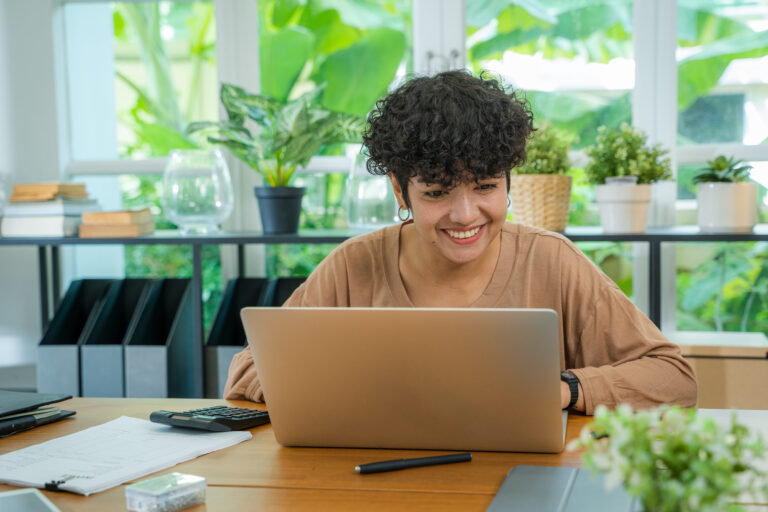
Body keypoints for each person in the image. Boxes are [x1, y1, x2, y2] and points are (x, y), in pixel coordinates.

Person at [224, 70, 697, 414]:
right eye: (436, 192)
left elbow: (674, 378)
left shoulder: (552, 262)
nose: (466, 215)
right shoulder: (354, 266)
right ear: (398, 188)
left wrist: (564, 389)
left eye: (486, 187)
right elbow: (247, 370)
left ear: (509, 180)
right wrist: (350, 386)